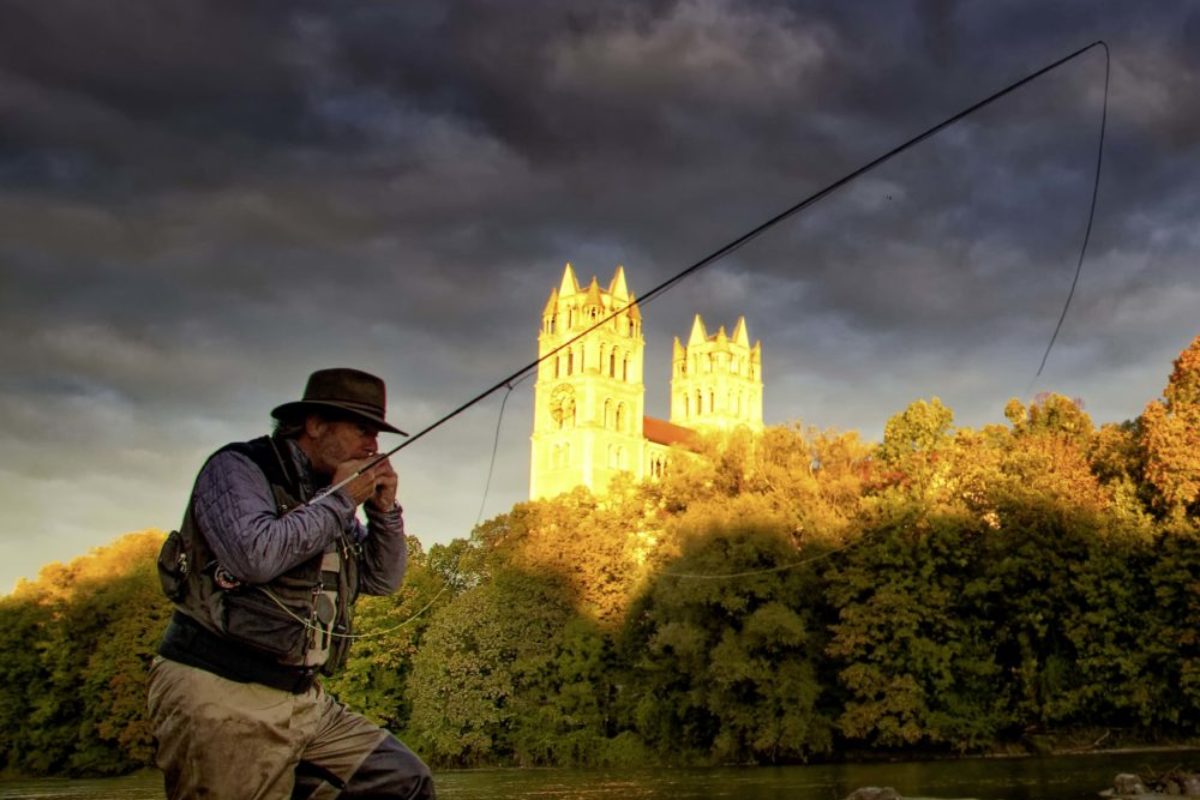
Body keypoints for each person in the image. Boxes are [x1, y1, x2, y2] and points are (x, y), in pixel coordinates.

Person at [148, 368, 435, 799]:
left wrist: (384, 512)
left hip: (304, 701)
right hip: (221, 690)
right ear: (316, 424)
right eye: (363, 429)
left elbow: (382, 579)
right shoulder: (238, 468)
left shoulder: (331, 494)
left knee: (403, 782)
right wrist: (343, 500)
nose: (373, 446)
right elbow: (254, 557)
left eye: (376, 433)